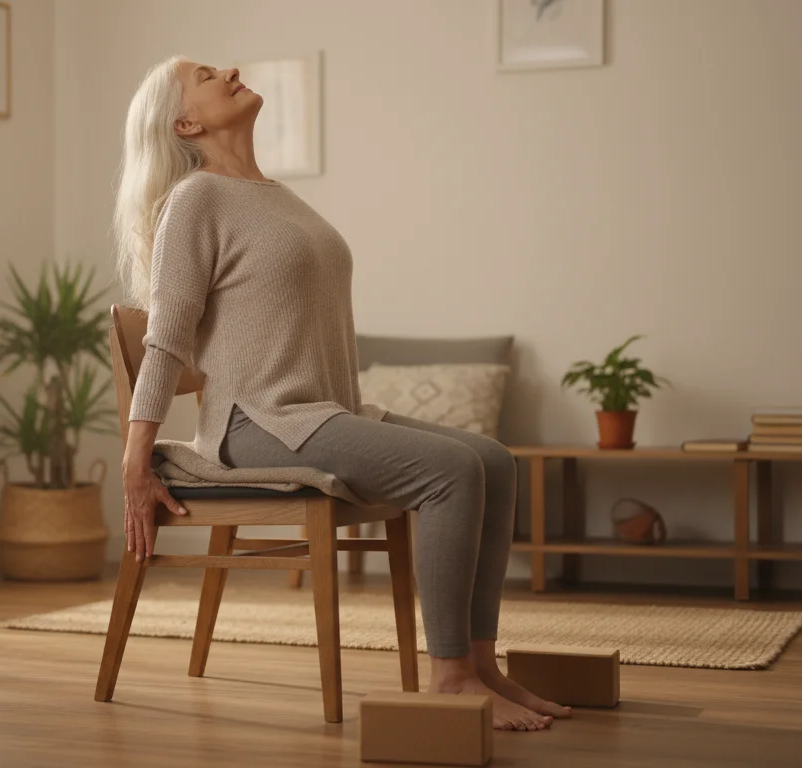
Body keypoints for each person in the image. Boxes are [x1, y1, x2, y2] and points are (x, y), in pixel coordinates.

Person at [111, 55, 566, 732]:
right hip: (257, 423)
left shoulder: (276, 195)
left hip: (321, 412)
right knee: (450, 473)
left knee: (494, 461)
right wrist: (135, 461)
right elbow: (166, 340)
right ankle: (450, 679)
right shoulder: (196, 200)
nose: (229, 69)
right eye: (207, 75)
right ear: (187, 121)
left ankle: (482, 666)